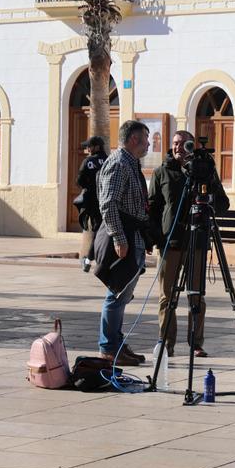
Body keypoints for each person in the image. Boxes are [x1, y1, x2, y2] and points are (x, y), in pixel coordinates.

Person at [148, 130, 230, 358]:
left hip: (197, 242)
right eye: (175, 143)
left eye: (184, 144)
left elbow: (223, 203)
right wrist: (153, 238)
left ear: (193, 146)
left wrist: (209, 187)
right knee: (167, 297)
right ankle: (166, 342)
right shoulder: (162, 172)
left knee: (196, 295)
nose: (178, 148)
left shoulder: (204, 171)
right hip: (170, 242)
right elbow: (152, 208)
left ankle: (196, 343)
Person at [95, 120, 153, 367]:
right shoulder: (119, 163)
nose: (148, 144)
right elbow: (108, 204)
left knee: (123, 295)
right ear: (133, 140)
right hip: (125, 237)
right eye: (145, 139)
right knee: (116, 294)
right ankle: (108, 347)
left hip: (134, 235)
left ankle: (116, 343)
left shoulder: (131, 163)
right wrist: (119, 238)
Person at [74, 136, 108, 272]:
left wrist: (90, 186)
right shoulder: (109, 160)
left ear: (97, 147)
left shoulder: (88, 162)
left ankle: (89, 259)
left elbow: (79, 181)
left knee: (97, 230)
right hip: (108, 200)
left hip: (94, 203)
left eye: (89, 146)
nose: (87, 149)